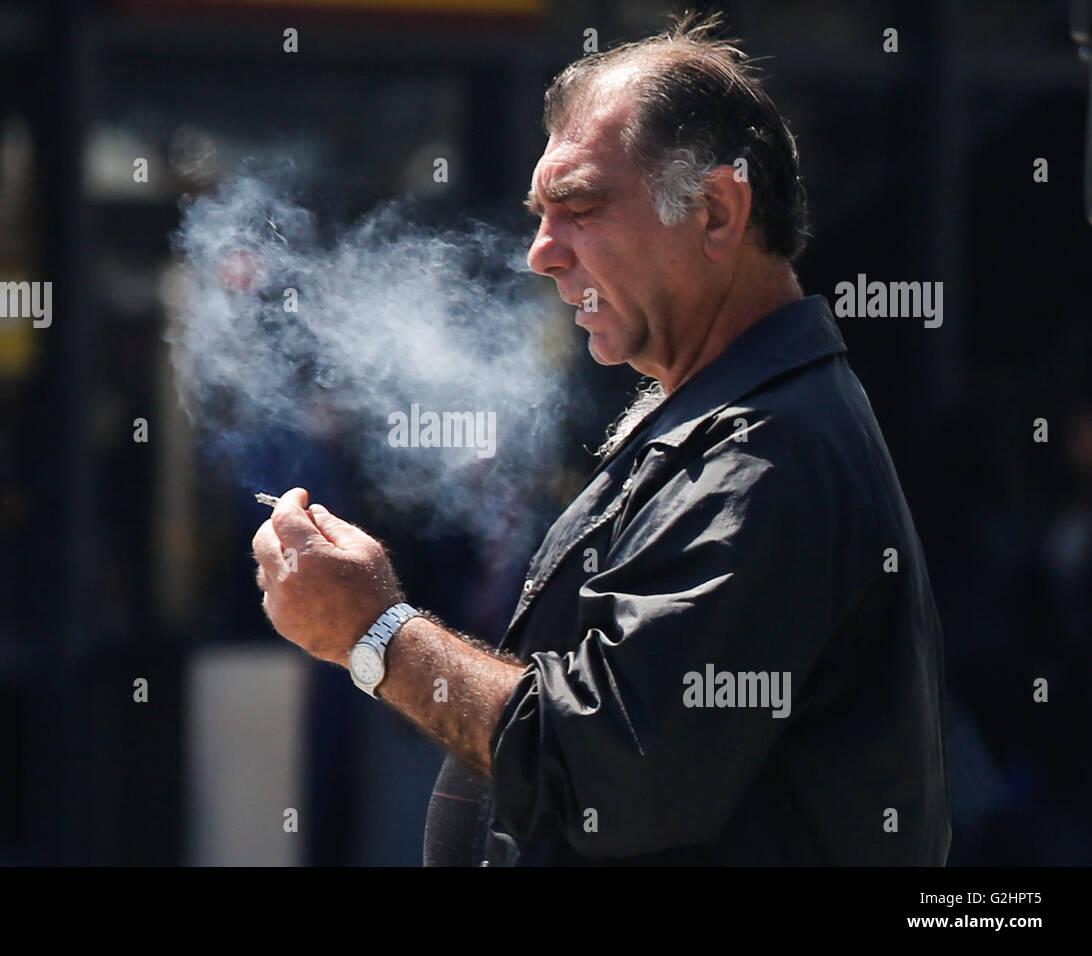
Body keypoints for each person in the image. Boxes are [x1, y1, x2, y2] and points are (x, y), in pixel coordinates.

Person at [251, 12, 951, 866]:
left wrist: (376, 632)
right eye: (540, 215)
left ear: (718, 211)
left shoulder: (767, 455)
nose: (542, 253)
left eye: (580, 208)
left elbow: (607, 775)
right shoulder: (740, 425)